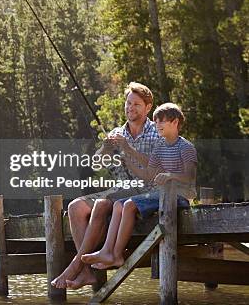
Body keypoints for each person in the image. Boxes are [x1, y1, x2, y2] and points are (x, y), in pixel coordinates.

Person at [52, 82, 160, 289]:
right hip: (120, 191)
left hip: (145, 191)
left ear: (148, 108)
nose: (130, 108)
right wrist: (105, 149)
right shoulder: (117, 132)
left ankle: (75, 266)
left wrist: (127, 149)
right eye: (128, 103)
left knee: (102, 203)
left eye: (136, 104)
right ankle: (86, 273)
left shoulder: (156, 133)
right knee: (75, 207)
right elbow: (96, 164)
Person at [81, 103, 197, 269]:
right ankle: (108, 252)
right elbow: (148, 174)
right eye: (156, 122)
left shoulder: (186, 147)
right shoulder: (159, 147)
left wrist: (170, 175)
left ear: (175, 122)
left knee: (129, 204)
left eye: (162, 121)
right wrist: (127, 158)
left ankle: (116, 254)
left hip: (180, 197)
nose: (157, 125)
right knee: (118, 205)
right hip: (161, 195)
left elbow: (189, 176)